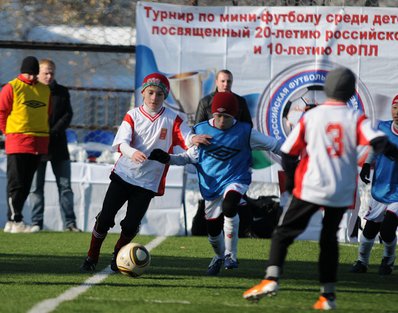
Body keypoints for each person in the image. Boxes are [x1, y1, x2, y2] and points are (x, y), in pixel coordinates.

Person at [242, 67, 398, 310]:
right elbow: (379, 142)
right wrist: (390, 152)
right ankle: (328, 295)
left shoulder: (311, 117)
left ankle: (271, 278)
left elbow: (288, 153)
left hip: (312, 185)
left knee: (283, 233)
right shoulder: (355, 117)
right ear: (349, 92)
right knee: (328, 239)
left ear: (328, 89)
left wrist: (292, 183)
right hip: (340, 189)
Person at [80, 72, 210, 272]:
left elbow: (186, 137)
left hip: (148, 182)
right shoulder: (132, 115)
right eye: (150, 92)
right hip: (124, 175)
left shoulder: (173, 118)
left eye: (159, 94)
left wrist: (194, 139)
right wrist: (132, 153)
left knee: (131, 225)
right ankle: (91, 256)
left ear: (165, 96)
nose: (154, 98)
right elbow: (121, 143)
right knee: (105, 218)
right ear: (143, 93)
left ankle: (118, 254)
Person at [149, 91, 282, 276]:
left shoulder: (245, 131)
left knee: (230, 205)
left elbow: (275, 145)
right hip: (211, 186)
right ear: (212, 114)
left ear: (233, 116)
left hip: (236, 179)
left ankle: (231, 255)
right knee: (212, 232)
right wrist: (167, 158)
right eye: (217, 116)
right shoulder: (201, 130)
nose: (221, 120)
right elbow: (188, 158)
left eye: (225, 117)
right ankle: (219, 256)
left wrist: (299, 157)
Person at [29, 59, 81, 232]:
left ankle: (70, 224)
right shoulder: (31, 91)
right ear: (38, 73)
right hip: (37, 146)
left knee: (65, 187)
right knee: (36, 187)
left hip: (59, 147)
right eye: (46, 73)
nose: (49, 76)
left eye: (52, 72)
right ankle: (37, 223)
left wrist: (52, 132)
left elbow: (67, 114)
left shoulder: (62, 92)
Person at [0, 56, 51, 233]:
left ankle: (15, 220)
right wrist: (8, 133)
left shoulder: (45, 90)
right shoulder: (12, 87)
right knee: (16, 183)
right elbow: (2, 112)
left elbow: (47, 113)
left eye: (33, 74)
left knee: (27, 184)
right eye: (27, 73)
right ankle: (14, 219)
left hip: (38, 142)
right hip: (18, 141)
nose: (30, 77)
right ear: (22, 71)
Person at [350, 94, 398, 275]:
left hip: (397, 193)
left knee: (387, 230)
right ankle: (362, 262)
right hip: (380, 189)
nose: (397, 112)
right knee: (370, 229)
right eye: (394, 107)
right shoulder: (383, 128)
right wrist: (367, 165)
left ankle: (388, 260)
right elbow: (374, 149)